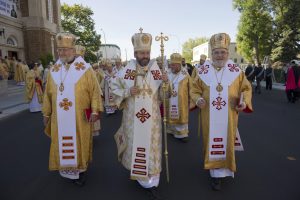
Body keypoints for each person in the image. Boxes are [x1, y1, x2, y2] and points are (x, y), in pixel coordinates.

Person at [191, 33, 253, 191]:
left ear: (228, 53)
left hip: (229, 114)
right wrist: (198, 100)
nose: (220, 55)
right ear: (212, 54)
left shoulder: (236, 71)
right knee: (211, 141)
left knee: (227, 140)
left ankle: (225, 169)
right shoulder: (202, 71)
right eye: (217, 52)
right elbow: (194, 90)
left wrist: (243, 102)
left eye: (223, 52)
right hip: (208, 115)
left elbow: (246, 89)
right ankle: (215, 175)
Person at [111, 28, 168, 199]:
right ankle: (139, 174)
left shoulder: (156, 70)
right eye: (141, 52)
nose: (145, 55)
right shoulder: (126, 70)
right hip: (132, 118)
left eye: (147, 52)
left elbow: (164, 96)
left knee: (152, 146)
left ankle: (152, 179)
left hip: (153, 118)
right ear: (135, 53)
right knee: (136, 143)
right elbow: (114, 89)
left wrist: (166, 84)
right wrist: (128, 91)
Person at [42, 32, 103, 186]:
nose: (62, 52)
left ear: (73, 50)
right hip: (59, 118)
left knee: (79, 141)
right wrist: (46, 113)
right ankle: (66, 169)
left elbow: (95, 91)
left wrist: (95, 110)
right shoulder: (53, 71)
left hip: (79, 116)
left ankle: (80, 170)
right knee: (62, 142)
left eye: (66, 49)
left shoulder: (85, 69)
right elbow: (47, 93)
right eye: (60, 49)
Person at [166, 53, 193, 142]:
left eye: (173, 65)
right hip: (170, 99)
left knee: (181, 116)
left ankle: (182, 134)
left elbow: (191, 88)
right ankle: (171, 130)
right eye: (171, 64)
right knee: (171, 114)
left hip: (182, 101)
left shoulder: (185, 75)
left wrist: (191, 100)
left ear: (179, 65)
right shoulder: (167, 73)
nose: (171, 66)